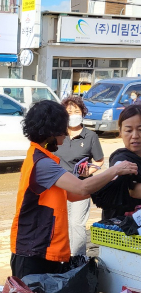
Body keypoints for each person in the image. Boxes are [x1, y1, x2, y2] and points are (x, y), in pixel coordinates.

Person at [10, 101, 137, 280]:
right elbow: (82, 187)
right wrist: (115, 170)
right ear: (51, 132)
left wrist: (110, 185)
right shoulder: (42, 163)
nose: (65, 136)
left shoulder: (42, 158)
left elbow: (75, 194)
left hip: (42, 246)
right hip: (33, 249)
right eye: (63, 131)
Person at [55, 96, 104, 256]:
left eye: (77, 111)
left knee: (76, 224)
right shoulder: (57, 135)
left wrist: (89, 172)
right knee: (60, 224)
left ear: (83, 113)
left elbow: (99, 160)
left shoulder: (90, 137)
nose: (73, 115)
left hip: (80, 188)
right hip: (58, 187)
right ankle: (60, 259)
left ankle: (77, 260)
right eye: (69, 112)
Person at [96, 104, 141, 219]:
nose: (135, 136)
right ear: (120, 131)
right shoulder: (120, 158)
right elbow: (133, 191)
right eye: (128, 130)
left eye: (140, 130)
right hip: (121, 231)